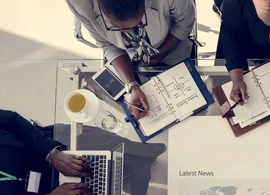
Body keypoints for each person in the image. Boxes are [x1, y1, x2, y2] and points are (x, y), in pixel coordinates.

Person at [0, 109, 165, 195]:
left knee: (124, 156)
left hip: (45, 149)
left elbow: (11, 120)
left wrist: (53, 153)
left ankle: (142, 168)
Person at [65, 0, 196, 119]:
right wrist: (132, 85)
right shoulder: (79, 4)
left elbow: (185, 22)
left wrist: (158, 55)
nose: (128, 32)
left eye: (139, 23)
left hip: (172, 46)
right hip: (128, 61)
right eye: (118, 27)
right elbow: (107, 44)